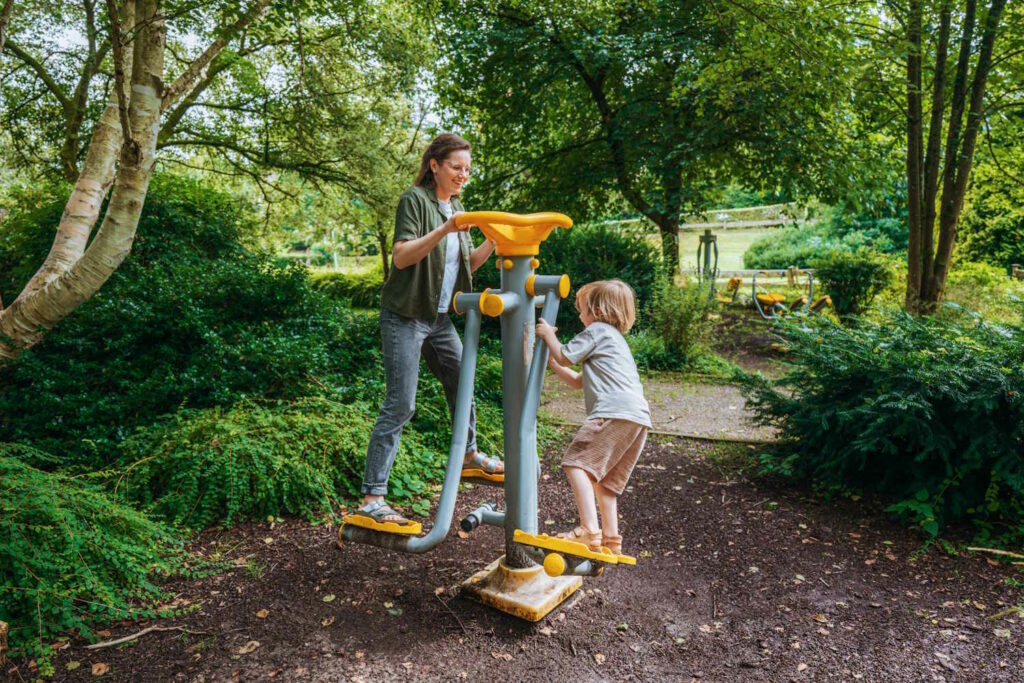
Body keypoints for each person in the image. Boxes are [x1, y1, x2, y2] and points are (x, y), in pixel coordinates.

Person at [352, 133, 500, 527]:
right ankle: (373, 497)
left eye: (467, 169)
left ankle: (468, 455)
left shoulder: (459, 209)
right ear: (434, 164)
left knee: (462, 377)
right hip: (404, 315)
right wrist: (445, 229)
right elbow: (401, 257)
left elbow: (465, 265)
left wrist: (492, 243)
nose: (462, 175)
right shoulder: (414, 201)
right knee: (401, 403)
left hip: (437, 319)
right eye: (456, 167)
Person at [535, 279, 651, 555]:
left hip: (613, 412)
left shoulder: (597, 331)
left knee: (575, 464)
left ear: (598, 311)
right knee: (605, 483)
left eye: (583, 308)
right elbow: (577, 380)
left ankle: (589, 530)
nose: (579, 314)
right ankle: (611, 541)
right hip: (638, 418)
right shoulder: (615, 341)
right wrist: (553, 361)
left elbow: (565, 356)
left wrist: (546, 334)